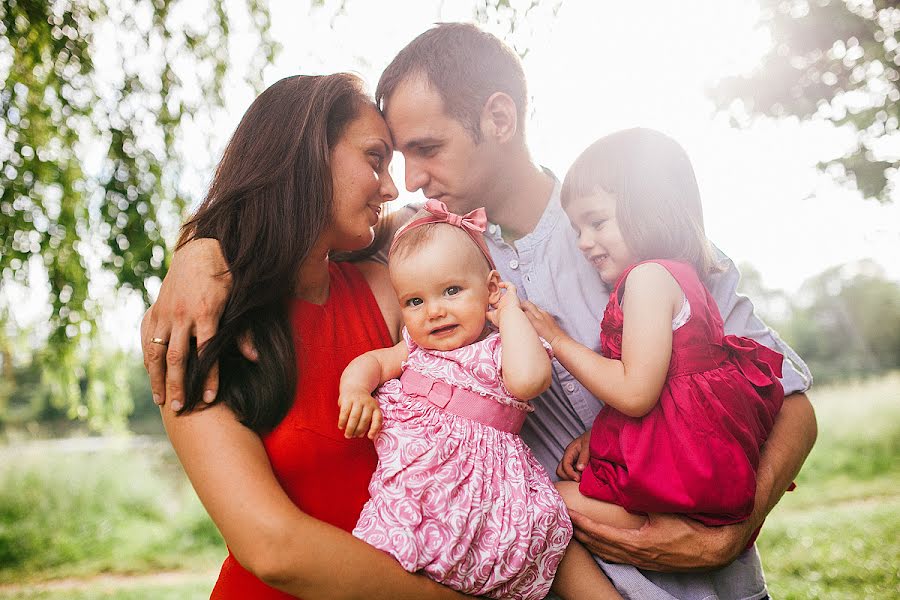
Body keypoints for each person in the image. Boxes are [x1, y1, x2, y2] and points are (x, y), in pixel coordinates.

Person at [143, 23, 817, 599]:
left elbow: (790, 395)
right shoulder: (427, 263)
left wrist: (728, 531)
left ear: (498, 118)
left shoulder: (629, 231)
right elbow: (296, 226)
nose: (403, 180)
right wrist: (201, 250)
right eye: (392, 155)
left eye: (423, 150)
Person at [145, 72, 473, 599]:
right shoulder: (201, 326)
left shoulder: (390, 289)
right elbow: (272, 548)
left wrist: (197, 245)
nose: (391, 187)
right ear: (304, 153)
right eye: (374, 159)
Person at [339, 199, 618, 600]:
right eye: (414, 301)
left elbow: (529, 380)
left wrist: (508, 312)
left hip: (496, 488)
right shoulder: (413, 350)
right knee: (391, 558)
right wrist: (355, 389)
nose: (434, 311)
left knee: (550, 542)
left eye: (451, 291)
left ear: (490, 289)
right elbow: (373, 362)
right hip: (421, 495)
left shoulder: (502, 347)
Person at [521, 128, 786, 546]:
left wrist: (556, 338)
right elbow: (669, 388)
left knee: (547, 503)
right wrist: (601, 437)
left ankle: (656, 543)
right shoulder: (679, 274)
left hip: (688, 468)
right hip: (695, 453)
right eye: (576, 229)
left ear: (648, 209)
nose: (584, 242)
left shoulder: (647, 279)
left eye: (597, 222)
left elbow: (635, 392)